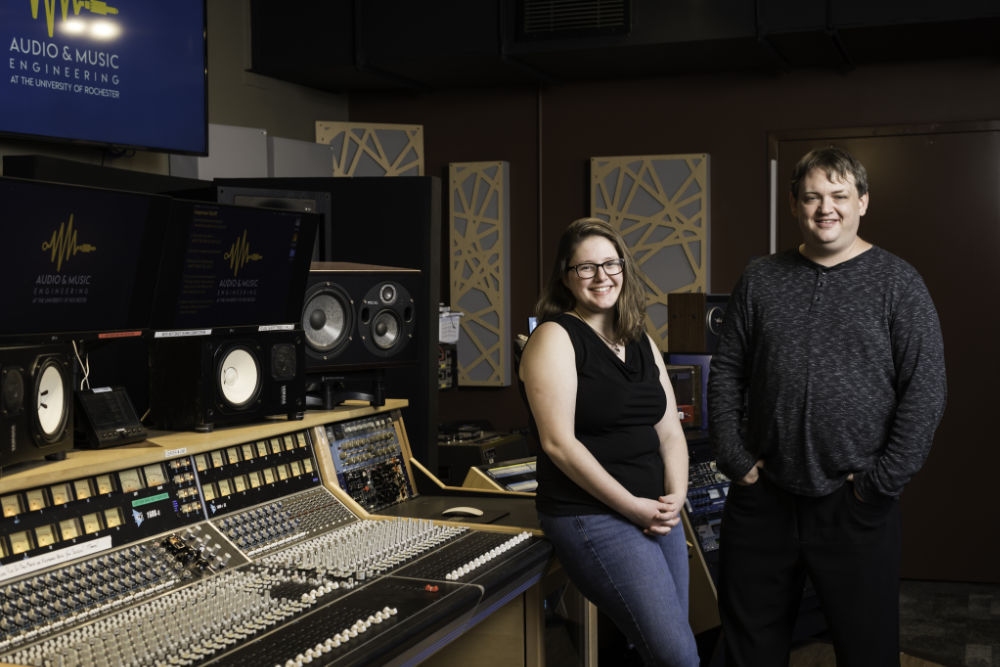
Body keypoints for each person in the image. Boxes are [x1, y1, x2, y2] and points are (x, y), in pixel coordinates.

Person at [707, 146, 947, 666]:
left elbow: (925, 390)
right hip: (763, 499)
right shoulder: (761, 279)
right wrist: (736, 460)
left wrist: (880, 482)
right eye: (812, 197)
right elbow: (726, 372)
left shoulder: (898, 283)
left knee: (867, 652)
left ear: (863, 201)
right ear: (793, 204)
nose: (826, 209)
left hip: (854, 503)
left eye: (839, 196)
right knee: (748, 650)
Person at [519, 217, 699, 667]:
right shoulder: (554, 337)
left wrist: (675, 496)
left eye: (611, 264)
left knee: (668, 648)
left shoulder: (639, 338)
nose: (602, 277)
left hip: (657, 509)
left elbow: (670, 429)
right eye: (586, 268)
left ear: (624, 268)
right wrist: (633, 506)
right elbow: (558, 443)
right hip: (593, 514)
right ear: (565, 276)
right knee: (677, 658)